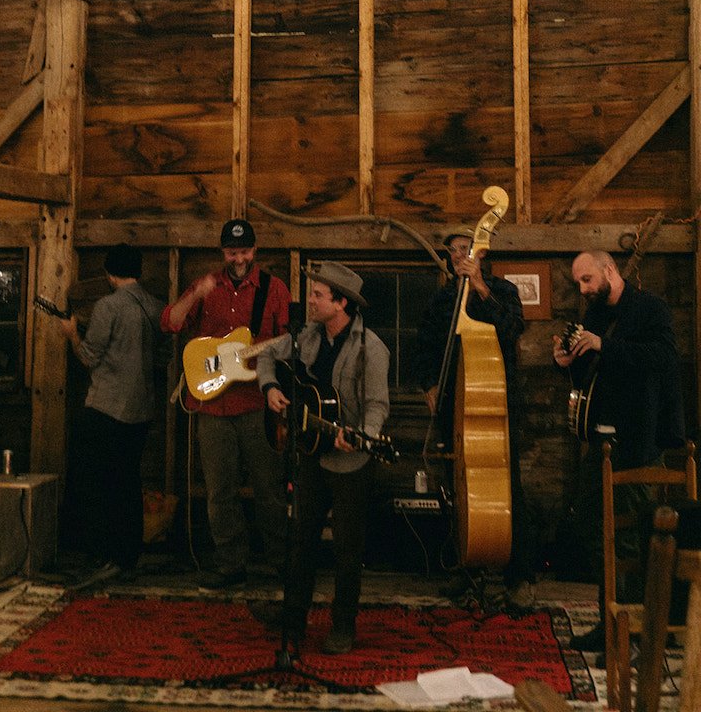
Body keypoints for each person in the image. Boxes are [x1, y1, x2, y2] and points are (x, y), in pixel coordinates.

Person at [554, 250, 685, 653]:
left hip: (638, 441)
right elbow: (590, 372)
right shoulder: (595, 314)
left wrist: (604, 345)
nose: (583, 289)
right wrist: (566, 361)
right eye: (578, 282)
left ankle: (631, 630)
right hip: (601, 442)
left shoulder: (649, 308)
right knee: (590, 525)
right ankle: (612, 619)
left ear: (609, 270)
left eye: (588, 279)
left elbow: (663, 358)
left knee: (627, 534)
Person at [257, 261, 390, 655]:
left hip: (351, 463)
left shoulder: (371, 349)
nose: (310, 300)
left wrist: (363, 437)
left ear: (341, 303)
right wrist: (269, 388)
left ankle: (343, 626)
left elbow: (377, 405)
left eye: (318, 295)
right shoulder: (306, 336)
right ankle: (293, 618)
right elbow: (266, 355)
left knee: (348, 550)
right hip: (312, 454)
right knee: (301, 541)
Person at [163, 218, 290, 591]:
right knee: (220, 491)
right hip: (212, 405)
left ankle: (281, 563)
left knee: (269, 487)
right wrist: (194, 296)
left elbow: (286, 342)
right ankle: (230, 564)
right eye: (232, 253)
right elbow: (171, 323)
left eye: (245, 252)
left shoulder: (274, 289)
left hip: (256, 404)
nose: (239, 259)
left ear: (255, 250)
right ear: (223, 252)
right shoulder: (206, 285)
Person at [415, 227, 535, 609]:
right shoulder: (442, 299)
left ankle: (520, 576)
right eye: (452, 251)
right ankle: (467, 567)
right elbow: (425, 345)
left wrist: (480, 288)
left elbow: (511, 329)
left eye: (465, 249)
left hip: (496, 401)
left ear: (482, 253)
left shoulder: (503, 291)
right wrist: (429, 384)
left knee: (510, 487)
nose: (457, 256)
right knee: (457, 484)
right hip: (454, 400)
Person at [59, 242, 163, 583]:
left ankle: (105, 555)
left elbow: (89, 357)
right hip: (142, 409)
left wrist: (72, 335)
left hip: (107, 408)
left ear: (109, 273)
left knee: (101, 485)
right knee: (129, 483)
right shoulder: (155, 306)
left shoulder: (108, 306)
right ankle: (127, 556)